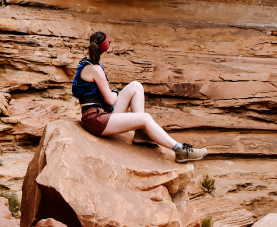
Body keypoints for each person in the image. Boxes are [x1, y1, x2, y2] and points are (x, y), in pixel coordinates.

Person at [73, 30, 207, 162]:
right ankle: (180, 150)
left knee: (136, 86)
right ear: (106, 50)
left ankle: (141, 133)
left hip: (101, 112)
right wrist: (114, 92)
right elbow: (111, 99)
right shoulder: (95, 69)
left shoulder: (87, 63)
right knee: (146, 118)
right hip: (95, 119)